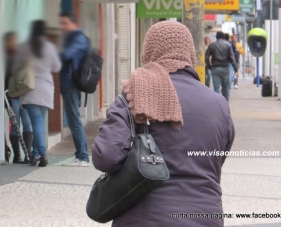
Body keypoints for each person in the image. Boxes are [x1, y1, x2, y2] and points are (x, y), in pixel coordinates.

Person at [92, 21, 235, 227]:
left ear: (149, 52)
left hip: (145, 217)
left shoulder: (135, 93)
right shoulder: (219, 104)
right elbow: (215, 162)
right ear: (190, 53)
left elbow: (106, 158)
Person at [16, 20, 61, 166]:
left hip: (30, 88)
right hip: (46, 88)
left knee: (36, 123)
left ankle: (42, 153)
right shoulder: (49, 47)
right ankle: (35, 155)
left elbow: (16, 65)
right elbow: (57, 67)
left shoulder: (24, 47)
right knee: (39, 123)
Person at [59, 12, 90, 167]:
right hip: (69, 83)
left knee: (74, 121)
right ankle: (81, 156)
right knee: (74, 120)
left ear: (74, 24)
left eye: (65, 23)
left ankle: (83, 157)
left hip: (71, 83)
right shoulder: (75, 38)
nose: (62, 27)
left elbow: (66, 55)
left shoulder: (78, 38)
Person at [4, 32, 33, 164]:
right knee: (16, 124)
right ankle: (17, 155)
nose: (13, 43)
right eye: (10, 40)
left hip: (25, 94)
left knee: (27, 123)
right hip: (12, 95)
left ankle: (28, 154)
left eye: (15, 40)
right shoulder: (6, 58)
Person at [206, 31, 238, 101]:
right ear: (223, 37)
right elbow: (232, 58)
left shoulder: (212, 45)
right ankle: (225, 105)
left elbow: (206, 57)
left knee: (216, 88)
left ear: (216, 37)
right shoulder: (228, 45)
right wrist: (236, 69)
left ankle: (217, 106)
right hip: (225, 68)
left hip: (215, 68)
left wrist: (209, 66)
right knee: (225, 88)